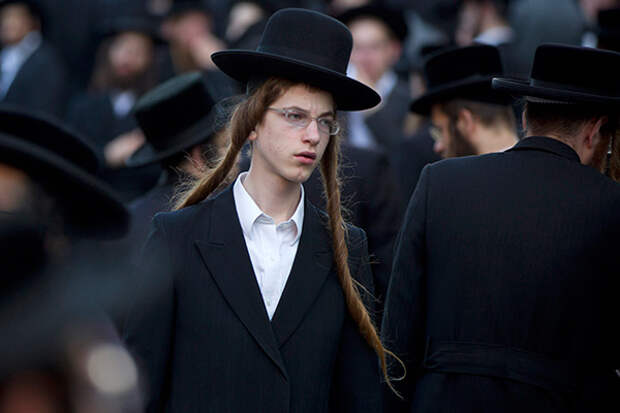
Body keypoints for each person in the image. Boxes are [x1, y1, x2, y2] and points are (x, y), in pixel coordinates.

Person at [123, 8, 392, 412]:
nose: (313, 135)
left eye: (325, 121)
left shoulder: (346, 248)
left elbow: (358, 395)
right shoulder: (177, 235)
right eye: (294, 116)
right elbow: (139, 388)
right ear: (251, 124)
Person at [382, 43, 620, 412]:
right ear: (595, 131)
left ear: (525, 118)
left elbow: (398, 330)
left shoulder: (440, 182)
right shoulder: (609, 204)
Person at [123, 72, 239, 260]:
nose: (237, 155)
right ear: (198, 158)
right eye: (225, 145)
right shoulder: (220, 216)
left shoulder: (131, 221)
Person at [66, 14, 164, 202]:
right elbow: (70, 160)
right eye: (122, 47)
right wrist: (106, 156)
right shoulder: (82, 106)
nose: (128, 58)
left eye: (138, 51)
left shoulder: (157, 111)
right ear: (108, 51)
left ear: (149, 60)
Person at [410, 44, 517, 160]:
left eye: (440, 131)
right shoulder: (537, 168)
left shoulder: (447, 176)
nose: (438, 147)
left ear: (466, 121)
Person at [338, 4, 410, 151]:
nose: (364, 57)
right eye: (357, 48)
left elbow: (402, 151)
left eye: (374, 47)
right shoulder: (334, 94)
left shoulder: (409, 97)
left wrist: (371, 104)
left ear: (394, 50)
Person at [0, 0, 69, 117]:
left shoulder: (45, 61)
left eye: (14, 17)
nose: (7, 24)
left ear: (32, 21)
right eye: (3, 17)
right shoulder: (6, 56)